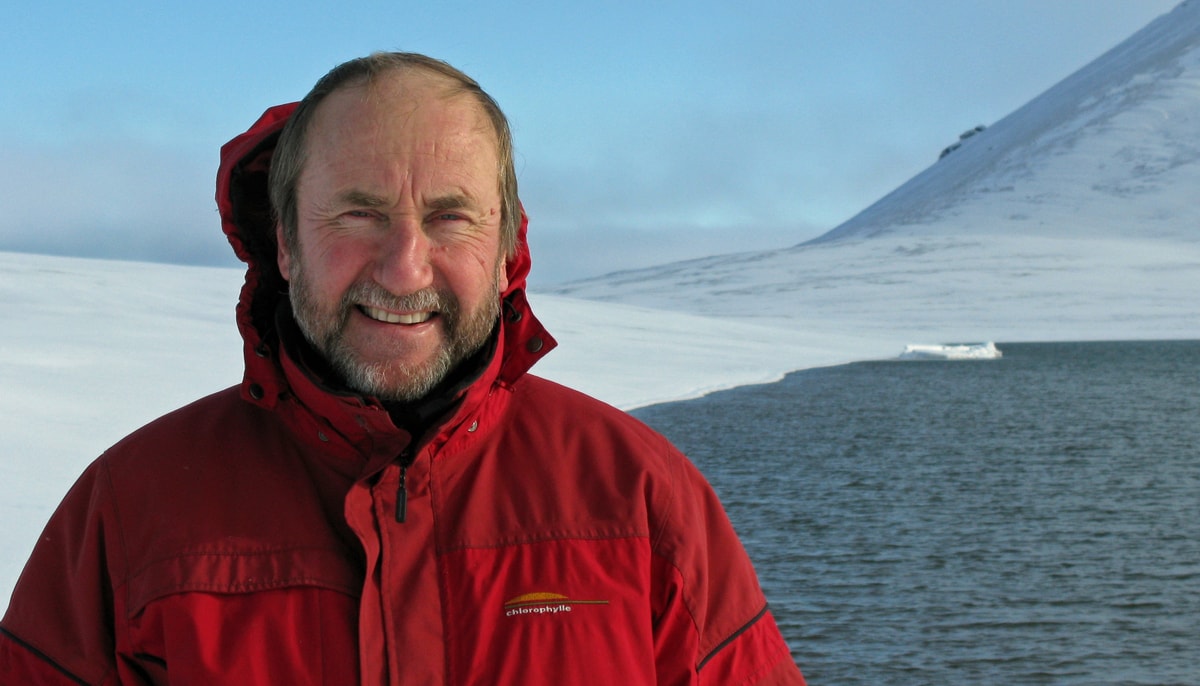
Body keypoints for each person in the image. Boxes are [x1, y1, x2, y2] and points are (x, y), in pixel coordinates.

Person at [0, 52, 806, 685]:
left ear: (505, 249)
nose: (404, 268)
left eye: (450, 217)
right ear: (286, 242)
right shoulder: (131, 510)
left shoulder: (639, 496)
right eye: (360, 214)